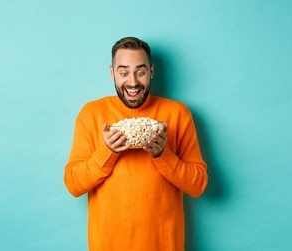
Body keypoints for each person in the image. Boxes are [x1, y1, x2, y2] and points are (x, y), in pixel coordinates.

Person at [63, 36, 208, 251]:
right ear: (112, 73)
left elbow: (198, 186)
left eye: (140, 72)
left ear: (151, 71)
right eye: (124, 73)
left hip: (164, 244)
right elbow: (74, 184)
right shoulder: (91, 114)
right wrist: (107, 151)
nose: (132, 82)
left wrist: (163, 155)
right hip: (108, 244)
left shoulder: (177, 114)